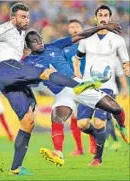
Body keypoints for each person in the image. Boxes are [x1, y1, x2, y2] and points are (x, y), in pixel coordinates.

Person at [0, 3, 122, 175]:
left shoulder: (33, 40)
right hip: (8, 69)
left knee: (28, 121)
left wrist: (102, 27)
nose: (26, 20)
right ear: (13, 18)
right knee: (47, 76)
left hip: (12, 80)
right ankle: (78, 89)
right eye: (22, 17)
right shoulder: (4, 30)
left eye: (27, 17)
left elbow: (78, 36)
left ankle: (15, 168)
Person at [23, 28, 128, 167]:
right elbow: (23, 79)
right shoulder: (28, 61)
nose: (39, 42)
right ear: (28, 47)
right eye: (34, 41)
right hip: (61, 93)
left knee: (115, 108)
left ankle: (121, 126)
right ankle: (58, 153)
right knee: (57, 118)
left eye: (39, 38)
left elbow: (79, 35)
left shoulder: (54, 46)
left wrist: (103, 27)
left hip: (78, 85)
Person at [73, 5, 130, 166]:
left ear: (110, 18)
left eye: (106, 15)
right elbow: (77, 57)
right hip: (87, 86)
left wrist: (127, 67)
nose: (103, 17)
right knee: (82, 124)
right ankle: (100, 136)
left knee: (99, 123)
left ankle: (98, 158)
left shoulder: (117, 40)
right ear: (96, 18)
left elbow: (126, 60)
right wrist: (77, 70)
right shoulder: (86, 39)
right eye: (100, 15)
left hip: (107, 86)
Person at [63, 19, 96, 156]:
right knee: (74, 117)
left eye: (77, 26)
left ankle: (93, 146)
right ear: (69, 30)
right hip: (72, 86)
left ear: (82, 29)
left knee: (87, 117)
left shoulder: (88, 45)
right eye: (72, 27)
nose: (75, 29)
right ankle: (79, 148)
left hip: (88, 84)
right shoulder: (65, 49)